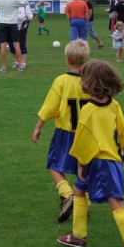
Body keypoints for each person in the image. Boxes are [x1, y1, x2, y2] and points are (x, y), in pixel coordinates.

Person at [56, 60, 124, 247]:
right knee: (78, 190)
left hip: (100, 162)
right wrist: (122, 156)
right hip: (111, 159)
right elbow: (123, 133)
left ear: (91, 83)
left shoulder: (88, 110)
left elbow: (83, 139)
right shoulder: (114, 105)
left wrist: (80, 163)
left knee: (116, 202)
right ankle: (78, 236)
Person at [32, 40, 91, 222]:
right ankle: (84, 204)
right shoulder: (91, 81)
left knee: (55, 165)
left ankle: (67, 194)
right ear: (87, 60)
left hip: (66, 133)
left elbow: (51, 106)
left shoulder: (61, 81)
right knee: (84, 169)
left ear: (67, 60)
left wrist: (38, 126)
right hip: (88, 134)